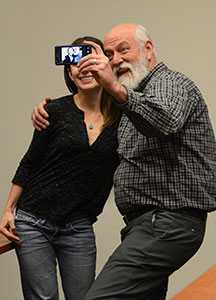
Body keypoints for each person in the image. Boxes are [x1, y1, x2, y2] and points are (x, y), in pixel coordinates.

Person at [31, 23, 216, 300]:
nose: (116, 59)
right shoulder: (129, 103)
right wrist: (51, 110)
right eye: (109, 53)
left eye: (123, 49)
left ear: (148, 49)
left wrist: (115, 88)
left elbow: (164, 120)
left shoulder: (170, 83)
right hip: (143, 225)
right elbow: (90, 129)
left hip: (167, 223)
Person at [0, 36, 120, 300]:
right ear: (69, 73)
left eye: (90, 59)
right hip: (33, 221)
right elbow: (30, 162)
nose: (83, 67)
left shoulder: (122, 117)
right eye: (75, 63)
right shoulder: (53, 110)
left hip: (78, 227)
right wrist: (8, 210)